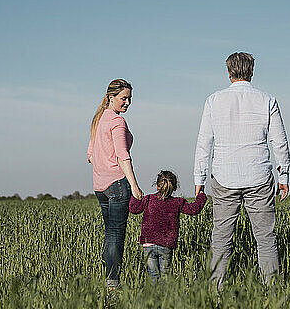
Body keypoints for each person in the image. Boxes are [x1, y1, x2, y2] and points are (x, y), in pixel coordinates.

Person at [193, 52, 290, 288]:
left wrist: (199, 178)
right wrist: (284, 175)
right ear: (252, 72)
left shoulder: (214, 100)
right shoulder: (267, 99)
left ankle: (215, 291)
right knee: (266, 239)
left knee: (221, 239)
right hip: (259, 176)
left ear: (228, 73)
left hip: (224, 177)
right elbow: (279, 141)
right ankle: (273, 291)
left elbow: (204, 141)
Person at [88, 78, 143, 289]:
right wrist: (135, 186)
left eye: (129, 99)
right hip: (117, 185)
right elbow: (122, 155)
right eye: (123, 98)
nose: (127, 102)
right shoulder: (117, 122)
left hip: (99, 187)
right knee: (116, 236)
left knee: (109, 233)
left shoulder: (99, 118)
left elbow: (90, 155)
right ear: (111, 97)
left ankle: (107, 277)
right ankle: (112, 284)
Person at [129, 170, 207, 283]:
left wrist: (134, 194)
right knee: (165, 276)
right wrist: (201, 196)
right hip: (166, 245)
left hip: (148, 244)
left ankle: (154, 299)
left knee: (152, 276)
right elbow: (194, 209)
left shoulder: (148, 199)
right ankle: (166, 298)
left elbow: (134, 209)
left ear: (157, 186)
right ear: (175, 188)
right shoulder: (178, 202)